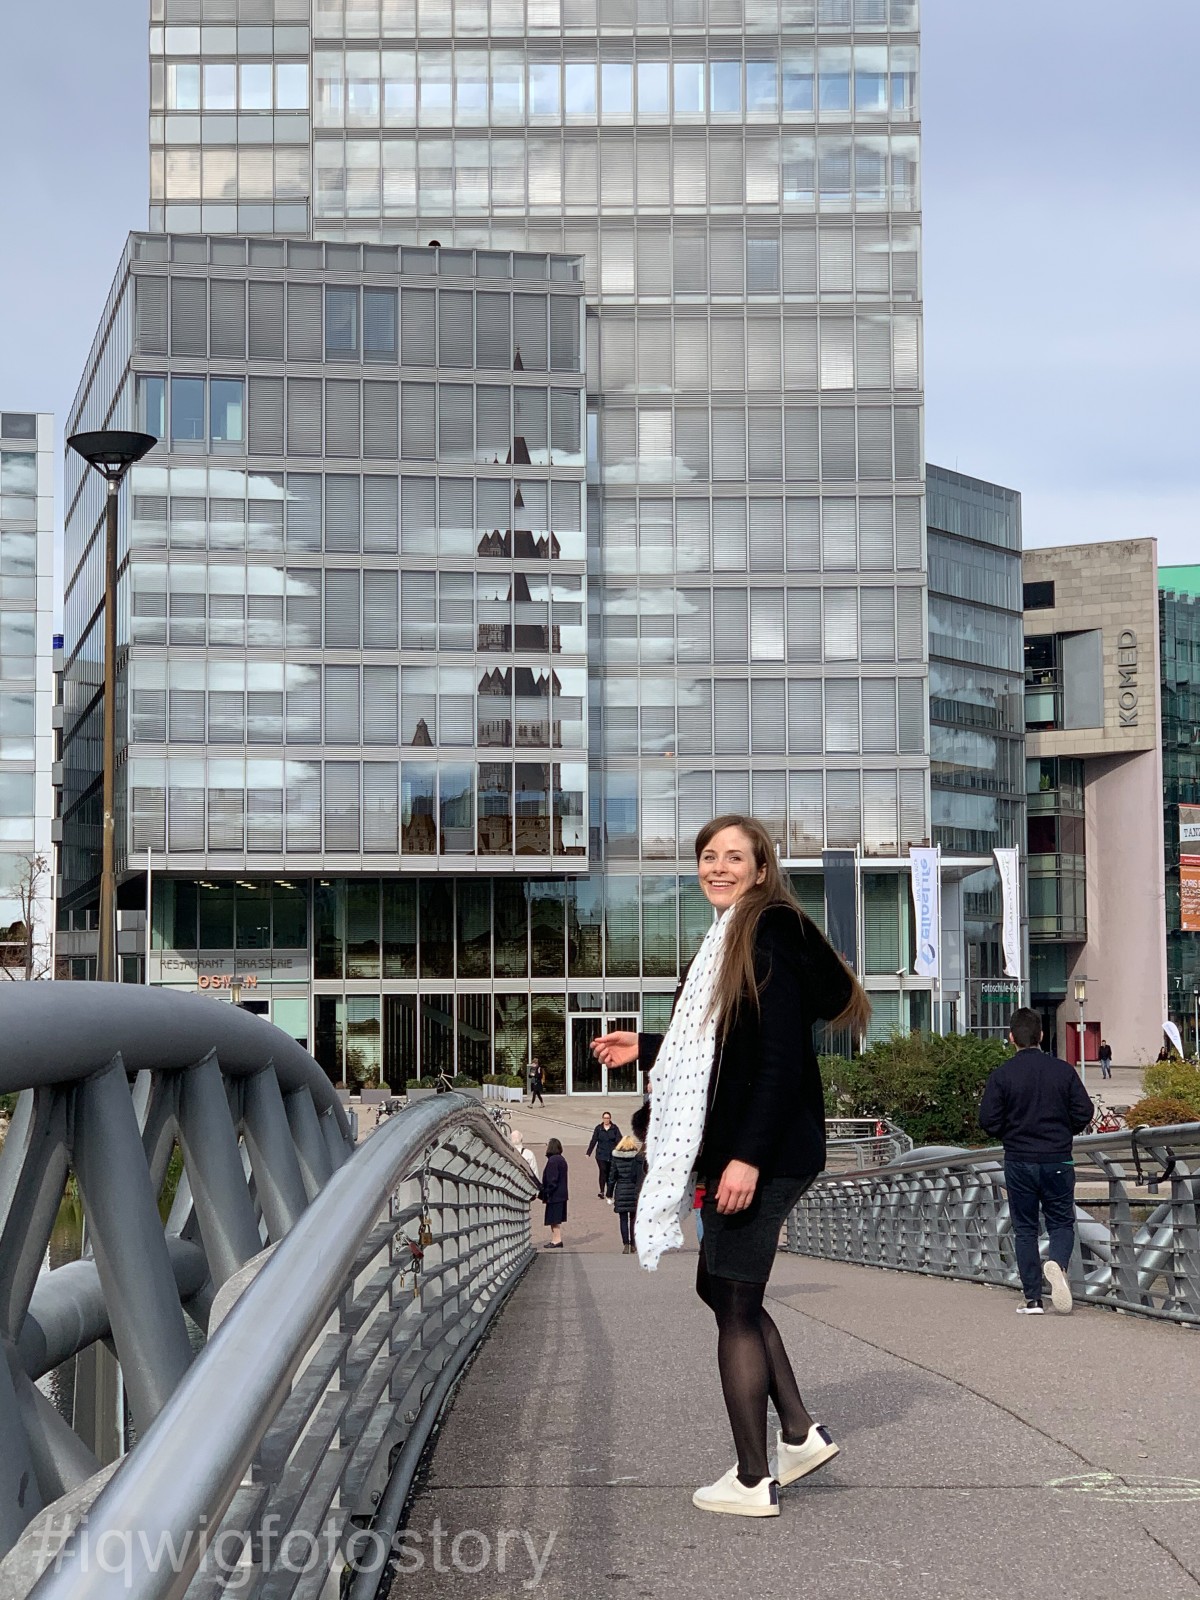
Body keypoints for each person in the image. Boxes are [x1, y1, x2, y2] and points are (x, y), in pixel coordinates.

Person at [592, 814, 870, 1520]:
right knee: (719, 1287)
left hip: (763, 1152)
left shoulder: (767, 935)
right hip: (755, 1145)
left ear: (761, 868)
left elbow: (775, 1061)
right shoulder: (734, 937)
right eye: (708, 856)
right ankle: (800, 1434)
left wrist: (746, 1158)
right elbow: (727, 1048)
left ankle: (753, 1479)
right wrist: (649, 1046)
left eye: (733, 858)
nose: (718, 867)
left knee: (735, 1305)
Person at [979, 1008, 1094, 1316]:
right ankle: (1057, 1262)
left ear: (1011, 1038)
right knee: (1061, 1222)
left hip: (1019, 1160)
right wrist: (1062, 1129)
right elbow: (1085, 1112)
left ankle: (1032, 1300)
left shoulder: (1002, 1075)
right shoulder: (1063, 1071)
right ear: (1042, 1036)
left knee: (1025, 1228)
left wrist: (1011, 1131)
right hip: (1058, 1158)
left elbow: (987, 1120)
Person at [607, 1106, 649, 1253]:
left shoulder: (616, 1158)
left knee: (623, 1219)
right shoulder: (637, 1158)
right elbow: (639, 1175)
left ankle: (626, 1244)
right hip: (634, 1190)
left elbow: (611, 1177)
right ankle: (634, 1244)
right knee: (633, 1219)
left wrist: (609, 1193)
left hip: (621, 1190)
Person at [586, 1110, 622, 1200]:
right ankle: (601, 1191)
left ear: (610, 1119)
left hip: (611, 1155)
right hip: (601, 1155)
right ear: (602, 1119)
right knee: (603, 1171)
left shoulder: (614, 1128)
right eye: (605, 1118)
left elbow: (619, 1140)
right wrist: (588, 1152)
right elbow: (594, 1140)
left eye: (608, 1118)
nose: (606, 1119)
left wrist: (621, 1150)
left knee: (610, 1173)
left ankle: (609, 1192)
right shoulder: (599, 1128)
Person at [539, 1137, 568, 1248]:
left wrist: (546, 1191)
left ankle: (556, 1240)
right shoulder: (561, 1159)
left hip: (555, 1195)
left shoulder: (553, 1161)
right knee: (555, 1219)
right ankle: (556, 1239)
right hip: (561, 1194)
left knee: (553, 1219)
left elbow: (552, 1179)